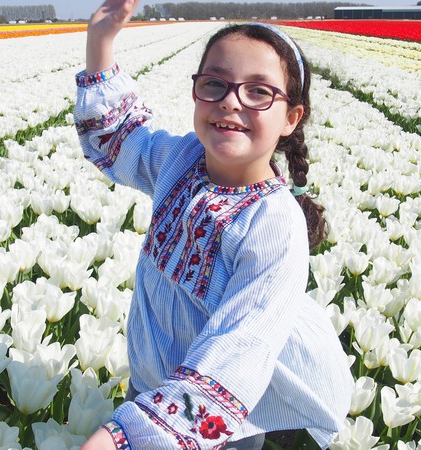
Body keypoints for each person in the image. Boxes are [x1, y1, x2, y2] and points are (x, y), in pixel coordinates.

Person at [76, 1, 353, 448]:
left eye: (259, 92)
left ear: (291, 117)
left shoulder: (273, 223)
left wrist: (118, 439)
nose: (230, 100)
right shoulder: (181, 160)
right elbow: (120, 136)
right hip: (149, 390)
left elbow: (238, 350)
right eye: (214, 84)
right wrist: (100, 41)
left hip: (214, 421)